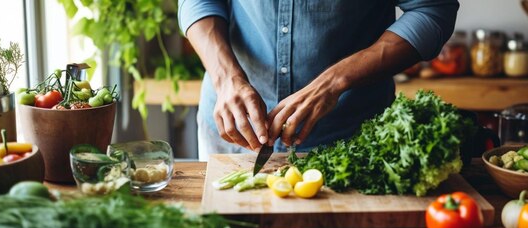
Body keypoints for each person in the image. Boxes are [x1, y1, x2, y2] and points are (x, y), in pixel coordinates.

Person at [179, 0, 459, 161]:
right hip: (232, 129)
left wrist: (336, 80)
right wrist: (227, 78)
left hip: (351, 136)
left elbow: (432, 9)